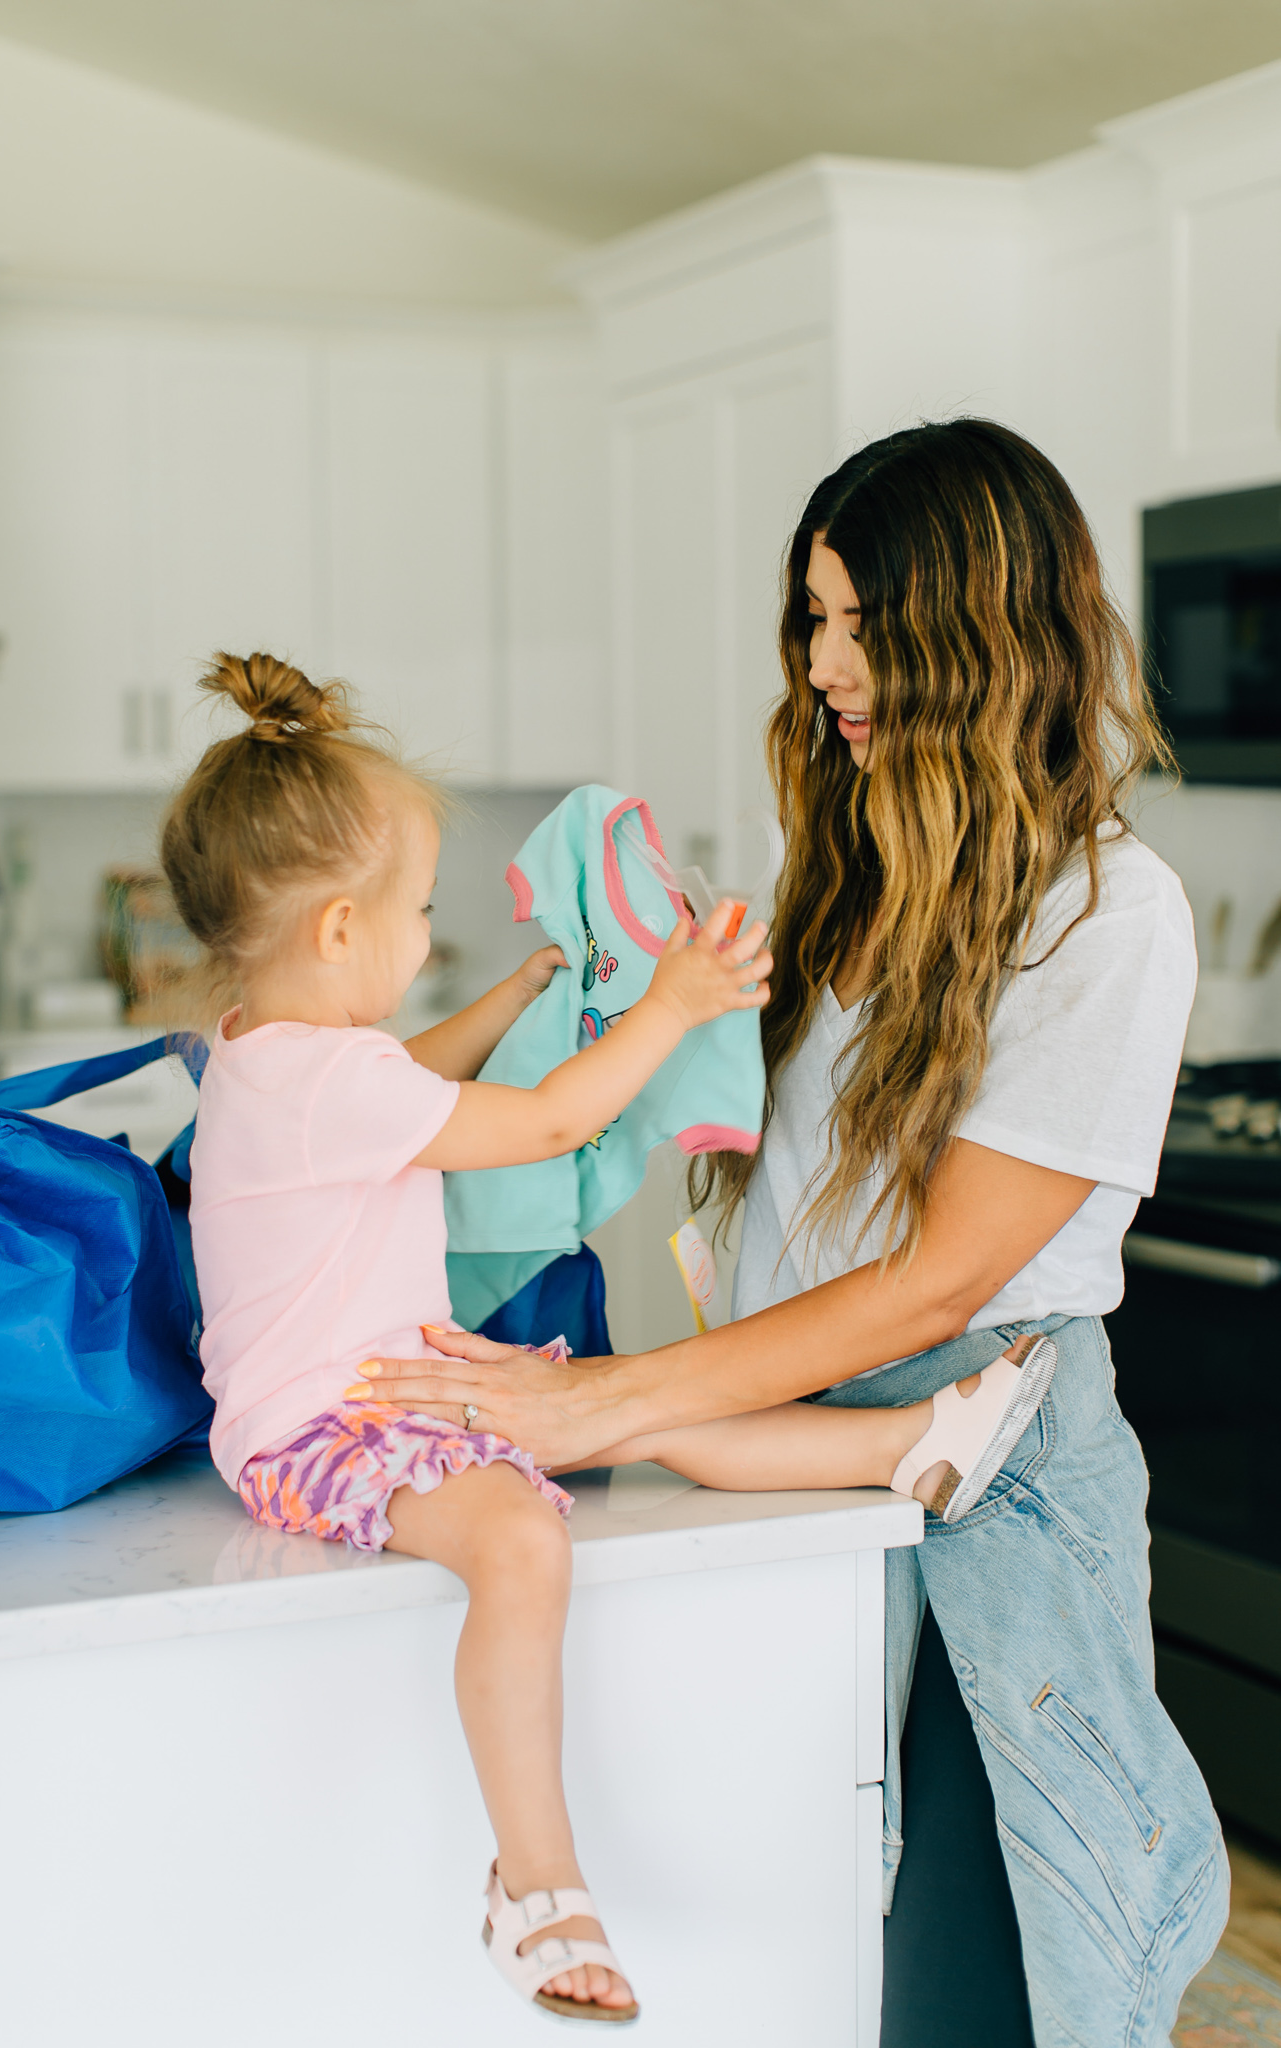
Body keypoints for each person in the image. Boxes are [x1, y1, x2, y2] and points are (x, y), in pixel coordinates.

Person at [356, 421, 1232, 2047]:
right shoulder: (851, 857)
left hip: (992, 1474)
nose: (828, 663)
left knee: (981, 1983)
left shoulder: (1105, 911)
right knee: (813, 1945)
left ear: (985, 631)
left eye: (865, 625)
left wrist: (619, 1400)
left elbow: (945, 1273)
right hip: (798, 1447)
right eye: (812, 620)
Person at [163, 649, 1054, 2028]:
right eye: (413, 911)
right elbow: (553, 1125)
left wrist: (510, 1002)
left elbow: (401, 1077)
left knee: (618, 1404)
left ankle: (901, 1449)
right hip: (320, 1429)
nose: (423, 934)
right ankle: (534, 1881)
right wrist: (668, 1010)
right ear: (340, 932)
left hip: (377, 1388)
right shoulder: (322, 1077)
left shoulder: (267, 1051)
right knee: (520, 1542)